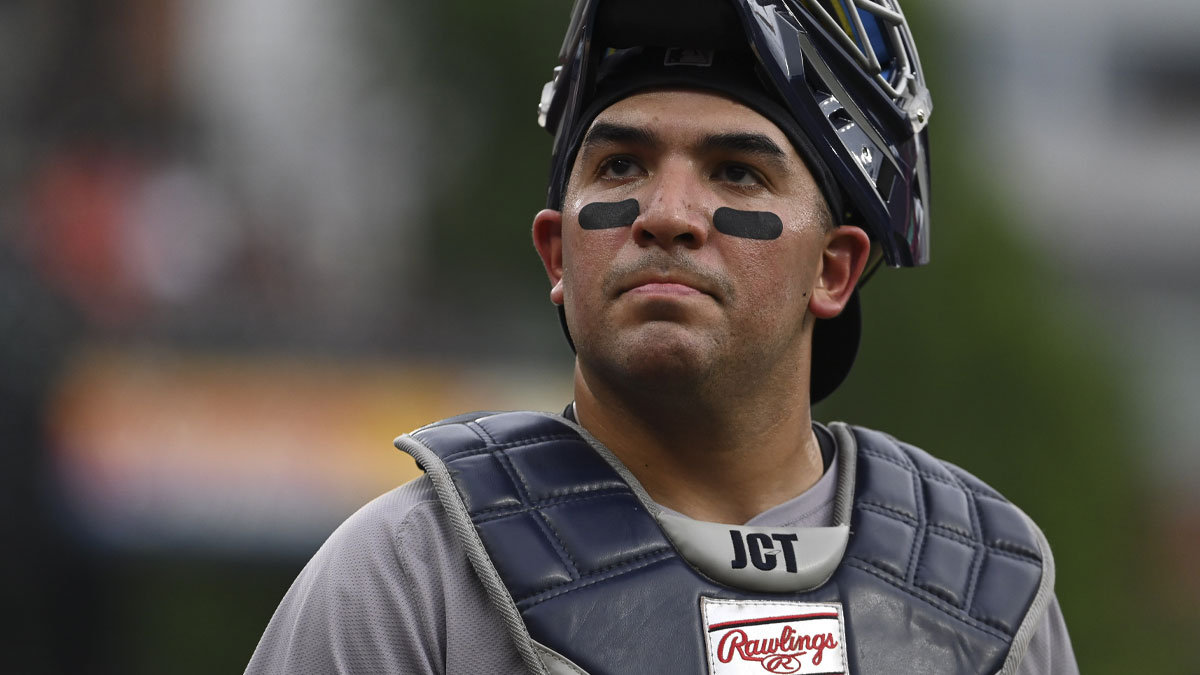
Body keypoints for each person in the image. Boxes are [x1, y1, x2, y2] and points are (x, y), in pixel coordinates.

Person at [247, 0, 1078, 673]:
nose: (668, 215)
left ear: (835, 269)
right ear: (557, 255)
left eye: (736, 172)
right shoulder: (411, 576)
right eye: (620, 165)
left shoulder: (989, 599)